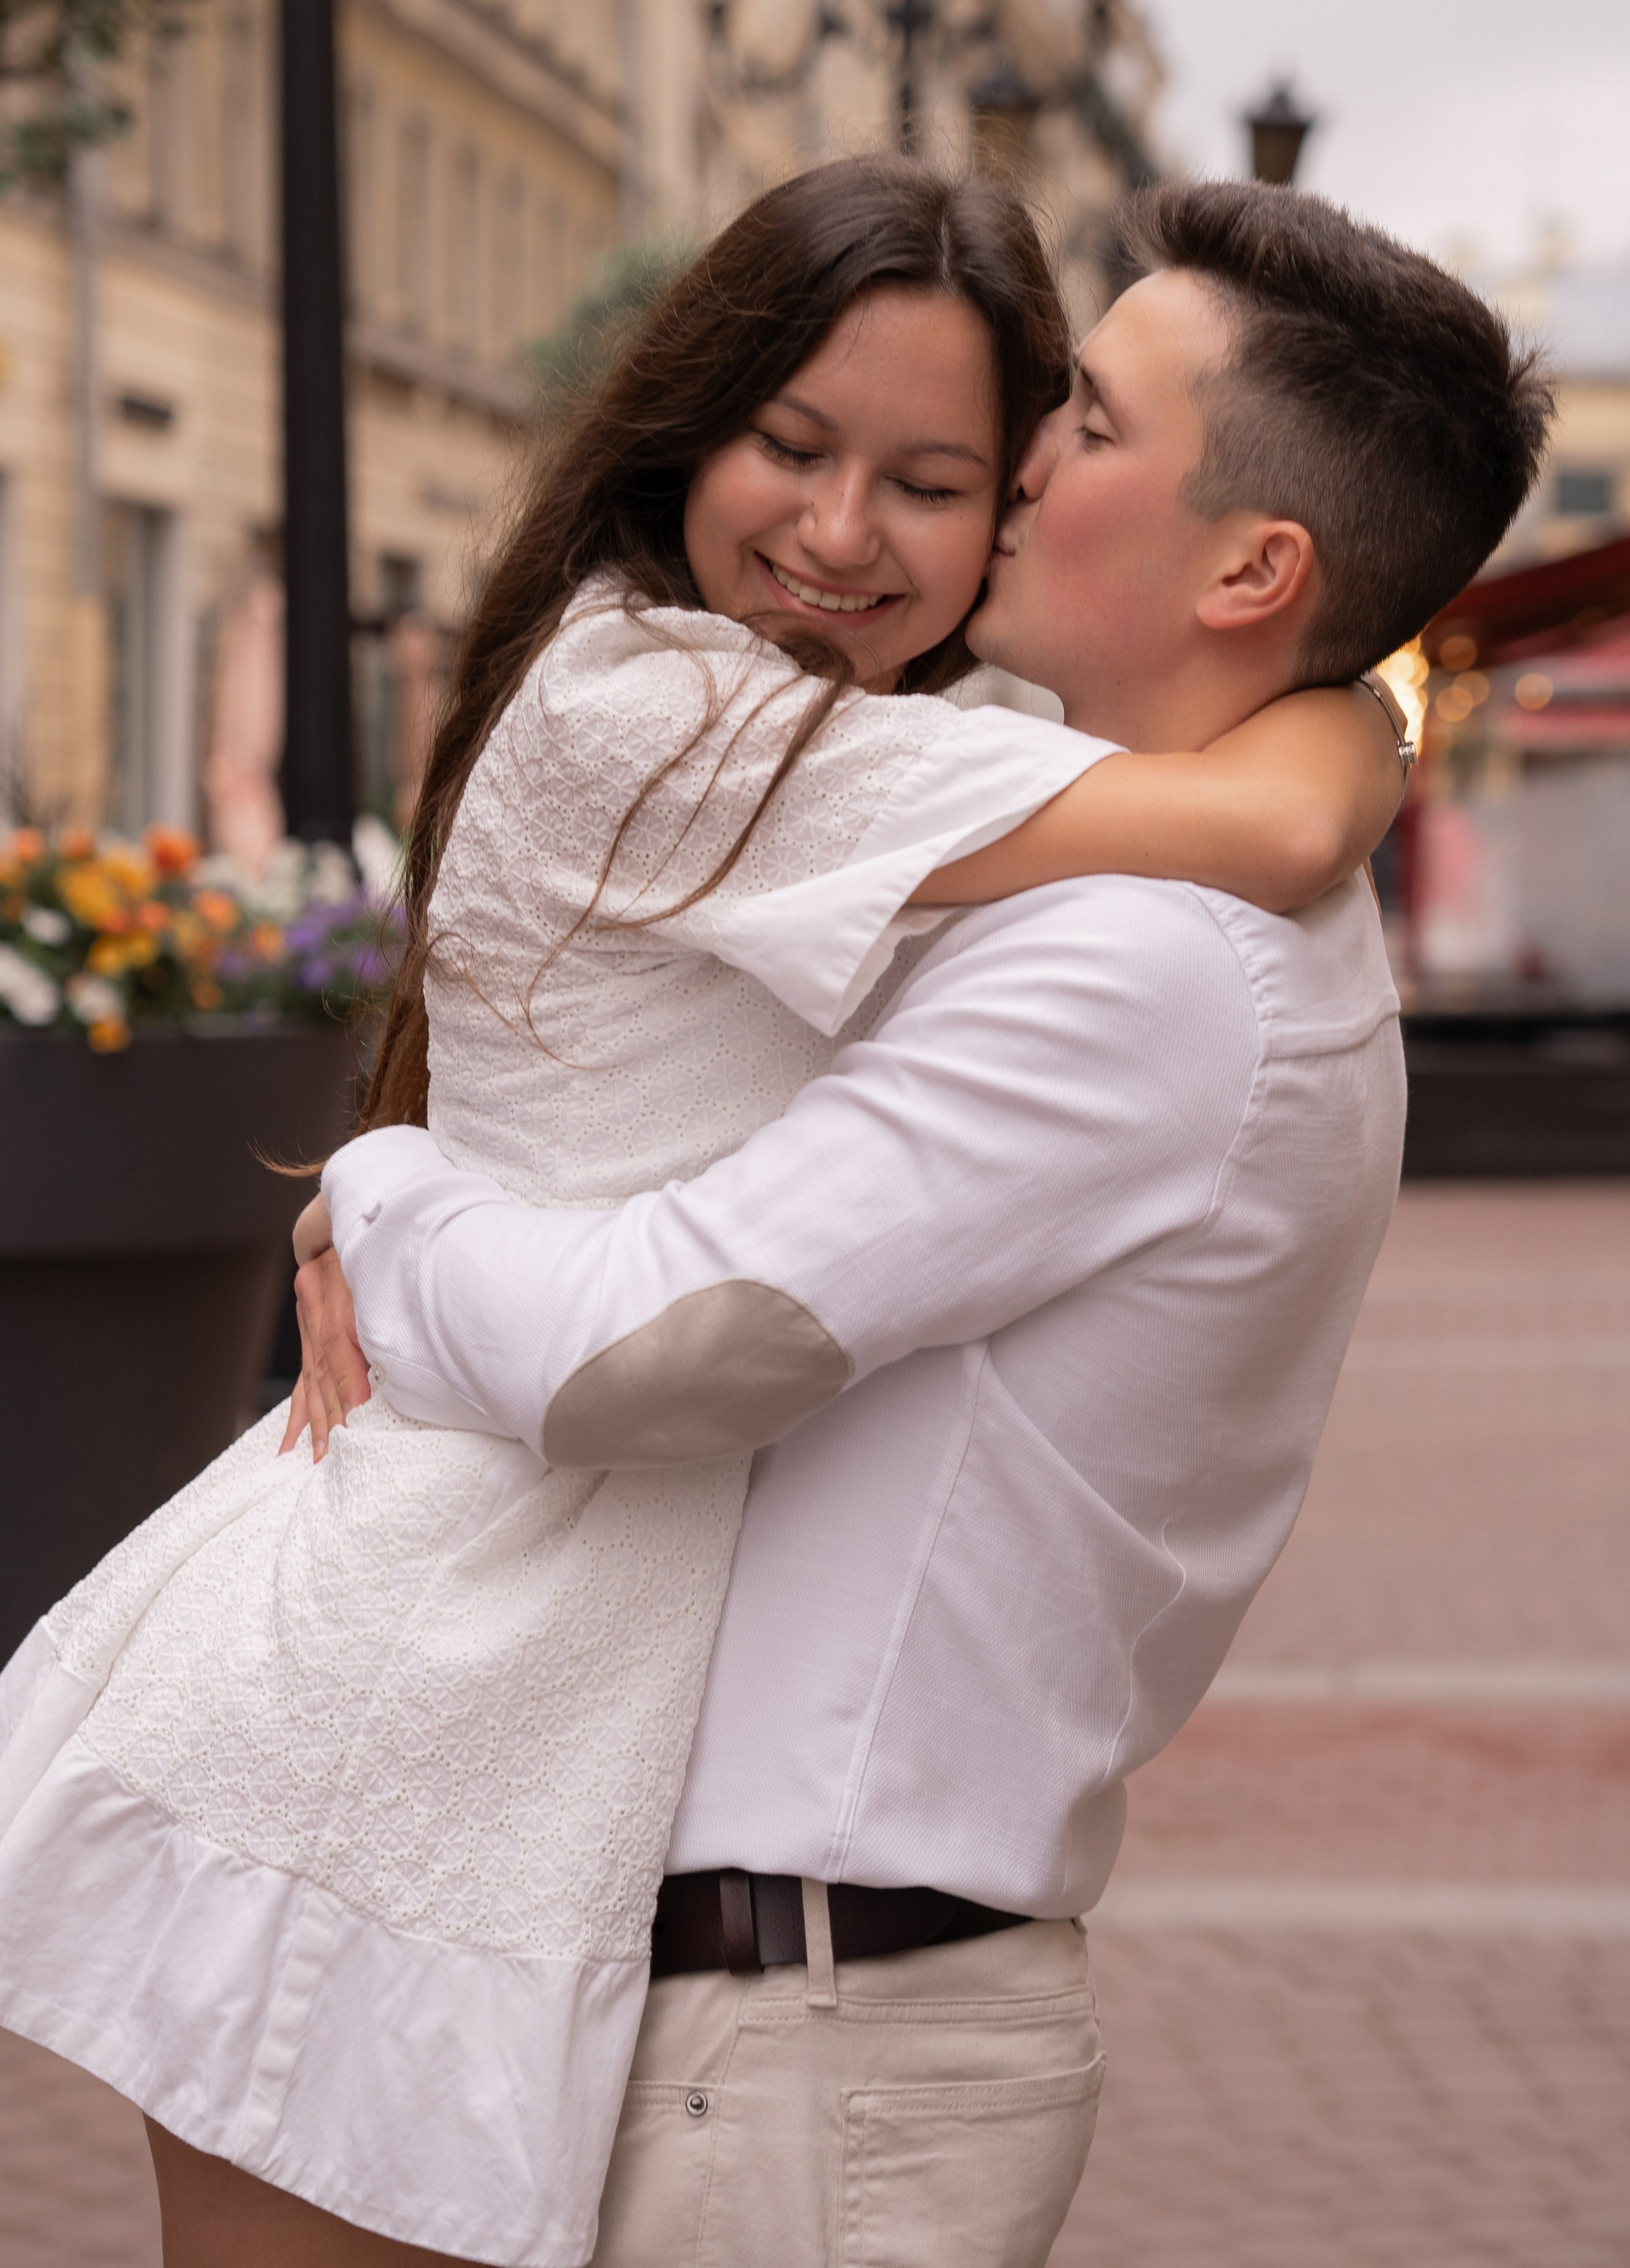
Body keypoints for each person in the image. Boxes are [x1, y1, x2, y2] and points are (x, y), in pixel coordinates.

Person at [0, 162, 1401, 2267]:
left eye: (954, 476)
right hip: (405, 1672)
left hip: (512, 1696)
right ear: (689, 423)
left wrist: (383, 1191)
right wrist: (1359, 704)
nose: (843, 530)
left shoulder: (899, 735)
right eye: (792, 444)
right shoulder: (677, 712)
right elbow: (1276, 809)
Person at [292, 179, 1553, 2268]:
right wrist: (1358, 718)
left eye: (1091, 426)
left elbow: (640, 1346)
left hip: (807, 2044)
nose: (1035, 452)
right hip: (772, 2012)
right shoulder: (1090, 841)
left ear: (1253, 561)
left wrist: (387, 1187)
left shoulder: (1147, 970)